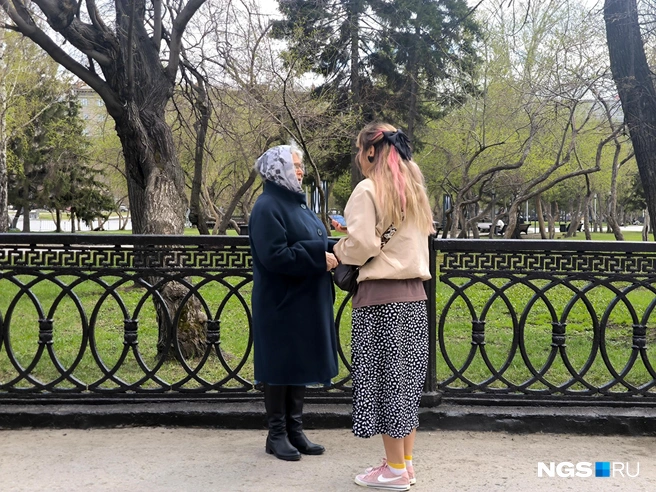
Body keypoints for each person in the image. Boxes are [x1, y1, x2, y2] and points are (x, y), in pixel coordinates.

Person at [333, 123, 434, 491]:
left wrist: (339, 250)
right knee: (405, 384)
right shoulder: (414, 189)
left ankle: (393, 471)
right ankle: (404, 464)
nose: (358, 157)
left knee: (386, 384)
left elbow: (363, 246)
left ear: (371, 151)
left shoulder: (368, 189)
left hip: (381, 300)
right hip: (414, 298)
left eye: (359, 150)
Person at [248, 143, 339, 462]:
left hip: (303, 301)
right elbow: (274, 255)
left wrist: (339, 248)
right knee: (279, 365)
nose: (300, 171)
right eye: (294, 165)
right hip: (280, 302)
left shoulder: (296, 203)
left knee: (297, 362)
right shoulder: (267, 206)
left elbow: (313, 240)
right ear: (278, 169)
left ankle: (295, 430)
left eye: (300, 166)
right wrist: (318, 257)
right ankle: (276, 435)